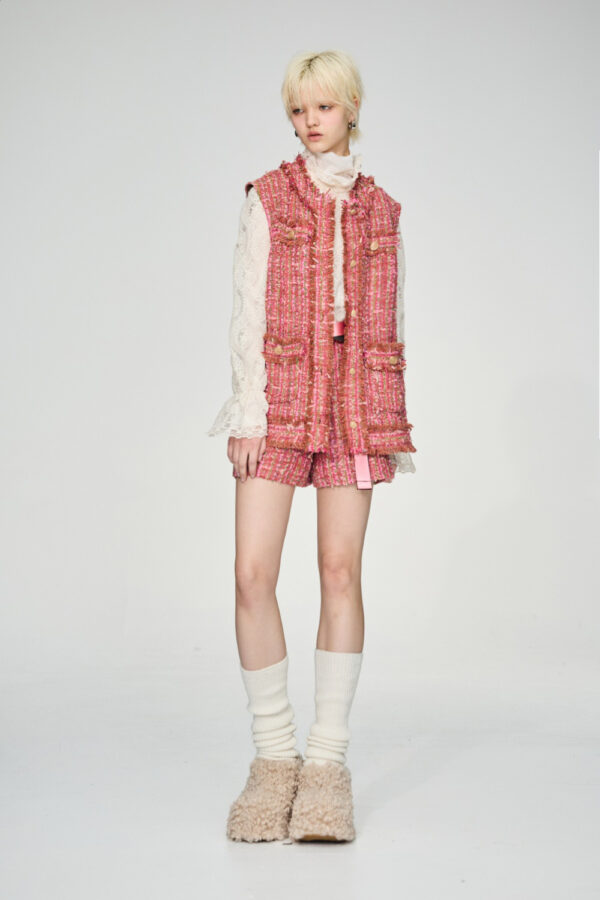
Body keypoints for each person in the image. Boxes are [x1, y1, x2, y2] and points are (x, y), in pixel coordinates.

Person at [207, 49, 417, 843]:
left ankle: (326, 765)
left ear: (351, 107)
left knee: (339, 572)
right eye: (298, 109)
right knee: (251, 575)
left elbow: (393, 316)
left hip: (357, 406)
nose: (309, 121)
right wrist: (248, 410)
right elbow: (246, 303)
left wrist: (389, 407)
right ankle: (273, 760)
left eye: (322, 107)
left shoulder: (383, 209)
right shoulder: (268, 196)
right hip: (280, 402)